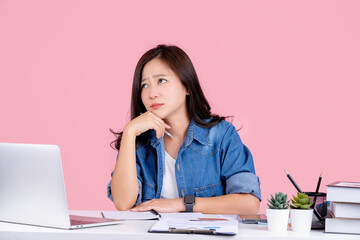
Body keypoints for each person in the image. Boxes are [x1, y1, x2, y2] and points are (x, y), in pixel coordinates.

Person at [107, 44, 261, 214]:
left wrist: (181, 204)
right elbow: (122, 203)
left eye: (161, 81)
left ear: (187, 86)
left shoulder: (222, 135)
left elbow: (249, 203)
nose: (152, 93)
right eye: (144, 85)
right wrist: (129, 133)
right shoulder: (139, 142)